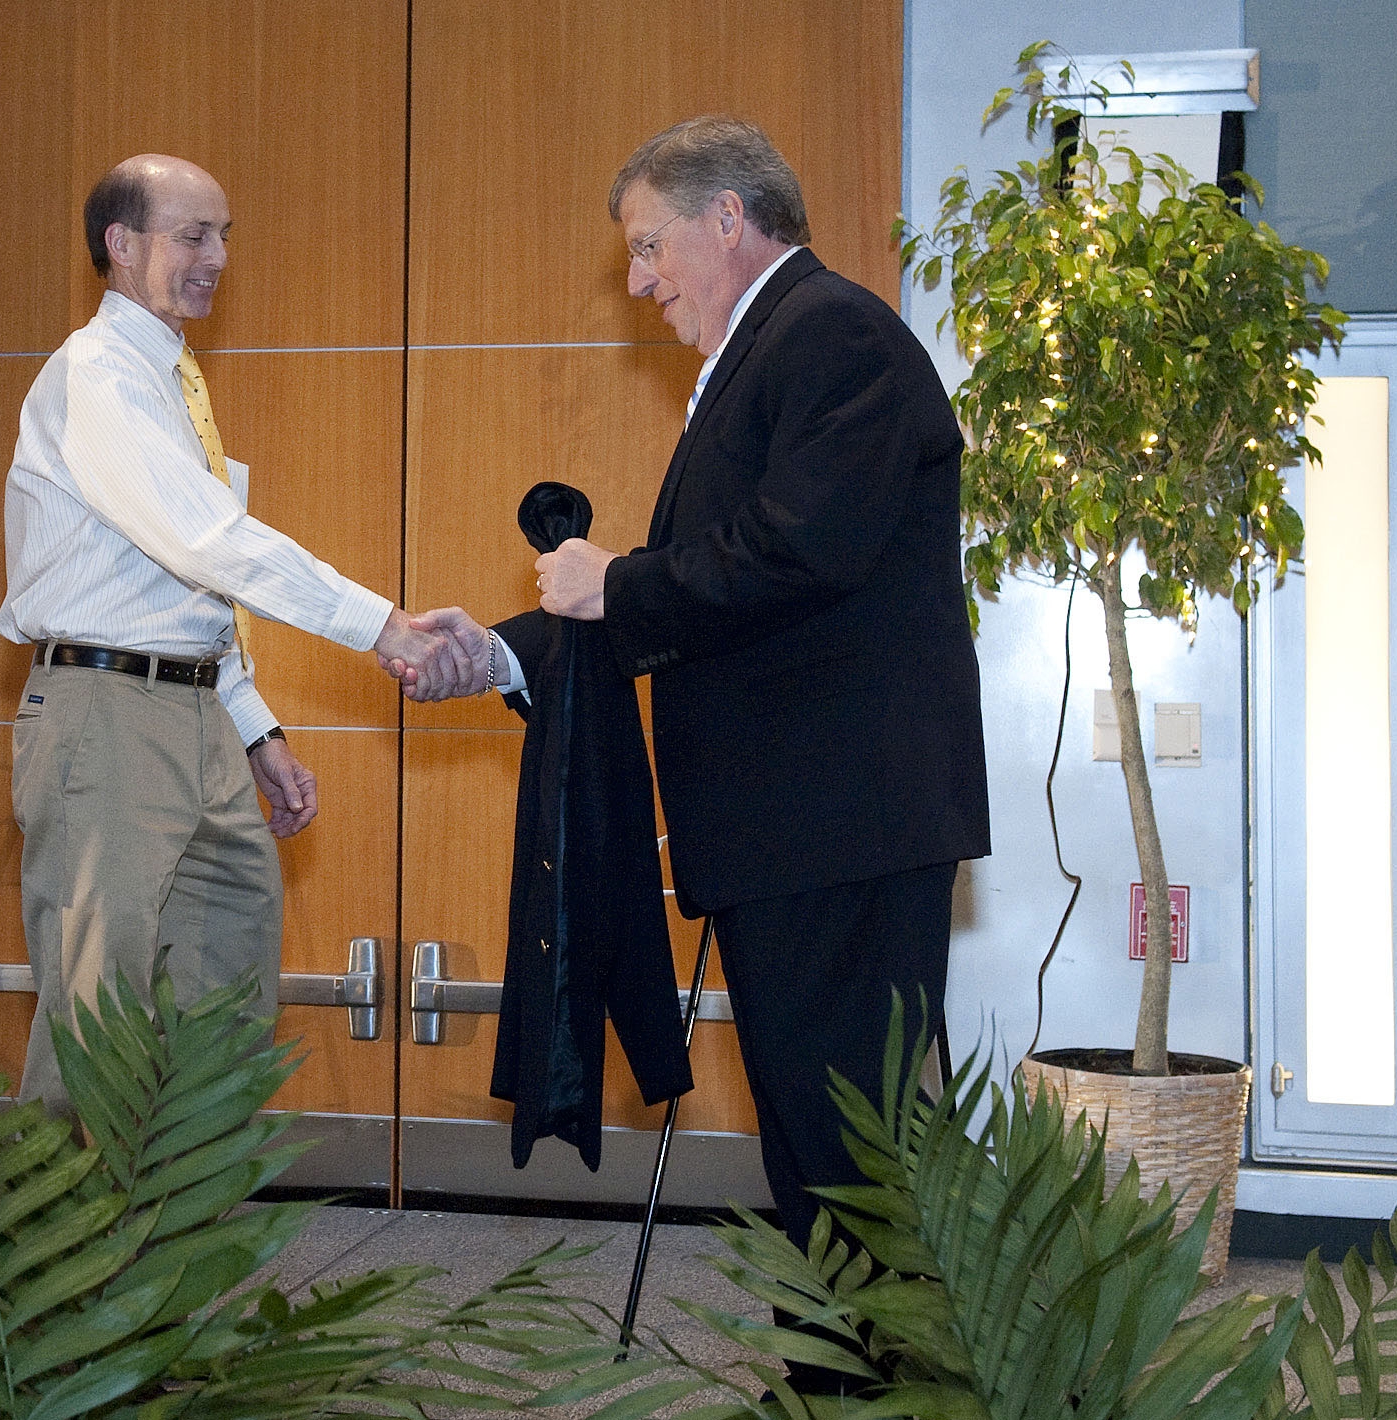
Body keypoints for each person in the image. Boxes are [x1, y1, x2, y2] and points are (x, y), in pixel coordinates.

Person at [409, 116, 989, 1260]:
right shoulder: (774, 349)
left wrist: (615, 581)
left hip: (839, 825)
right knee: (814, 1140)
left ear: (728, 217)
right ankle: (836, 1377)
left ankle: (867, 1390)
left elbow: (790, 554)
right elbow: (712, 592)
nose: (636, 283)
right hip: (802, 826)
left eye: (646, 246)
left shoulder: (831, 335)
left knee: (850, 1144)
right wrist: (505, 646)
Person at [0, 153, 464, 1110]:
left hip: (196, 711)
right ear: (121, 247)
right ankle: (49, 1255)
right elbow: (206, 540)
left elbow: (182, 584)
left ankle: (182, 1243)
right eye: (192, 235)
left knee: (226, 994)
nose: (216, 257)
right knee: (101, 1012)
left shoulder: (173, 382)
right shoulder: (99, 375)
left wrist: (253, 726)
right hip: (104, 717)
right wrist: (379, 625)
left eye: (224, 236)